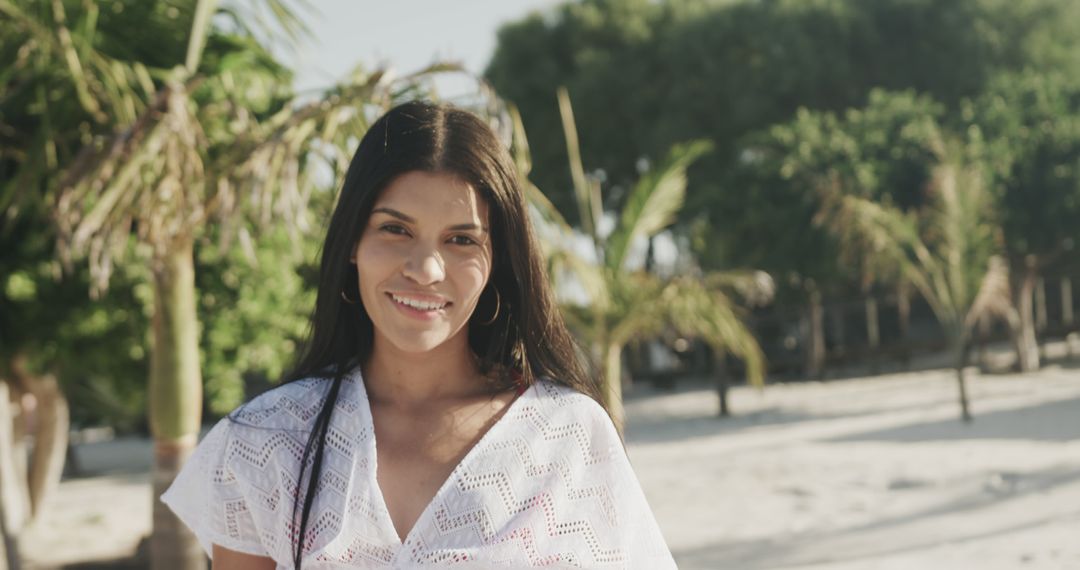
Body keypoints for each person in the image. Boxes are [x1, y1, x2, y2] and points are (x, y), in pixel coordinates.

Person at [160, 101, 676, 569]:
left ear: (496, 262)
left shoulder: (566, 436)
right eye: (395, 229)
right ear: (352, 243)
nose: (426, 269)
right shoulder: (267, 441)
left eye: (460, 239)